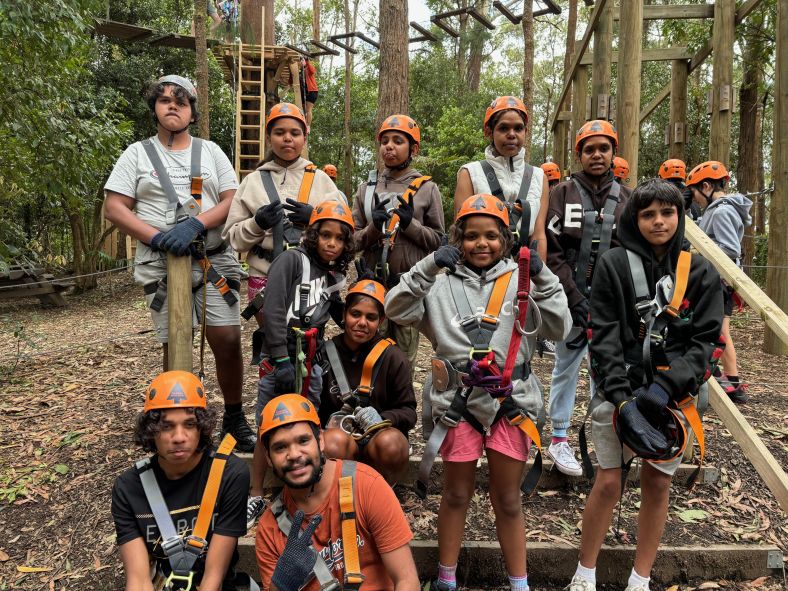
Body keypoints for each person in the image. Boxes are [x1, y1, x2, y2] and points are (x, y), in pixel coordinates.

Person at [386, 194, 572, 591]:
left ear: (505, 238)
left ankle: (519, 581)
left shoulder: (521, 281)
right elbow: (395, 308)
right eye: (471, 236)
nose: (481, 244)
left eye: (491, 235)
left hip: (511, 401)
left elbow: (559, 329)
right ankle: (446, 577)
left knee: (508, 498)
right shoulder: (439, 284)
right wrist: (430, 262)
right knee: (455, 494)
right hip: (459, 403)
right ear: (458, 239)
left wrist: (543, 276)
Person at [565, 179, 724, 591]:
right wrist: (622, 399)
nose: (658, 221)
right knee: (608, 480)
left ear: (679, 216)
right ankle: (584, 574)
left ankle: (641, 578)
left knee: (657, 482)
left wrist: (665, 389)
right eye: (648, 213)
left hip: (675, 396)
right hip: (618, 390)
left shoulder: (700, 270)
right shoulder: (614, 265)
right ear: (634, 219)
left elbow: (705, 340)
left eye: (667, 213)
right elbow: (603, 333)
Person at [104, 75, 256, 453]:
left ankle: (234, 417)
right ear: (154, 107)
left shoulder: (210, 151)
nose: (172, 105)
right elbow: (115, 206)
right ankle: (181, 422)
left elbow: (231, 198)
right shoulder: (137, 154)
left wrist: (196, 223)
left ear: (192, 110)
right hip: (162, 262)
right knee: (176, 344)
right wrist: (155, 236)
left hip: (211, 259)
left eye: (181, 100)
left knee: (227, 337)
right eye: (165, 99)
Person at [245, 201, 356, 529]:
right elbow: (275, 309)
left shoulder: (335, 273)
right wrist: (279, 358)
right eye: (325, 235)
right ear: (314, 235)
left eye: (339, 238)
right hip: (281, 355)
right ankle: (255, 492)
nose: (331, 243)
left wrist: (361, 305)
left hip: (312, 357)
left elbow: (335, 310)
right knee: (271, 424)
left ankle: (305, 492)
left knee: (307, 423)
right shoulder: (292, 261)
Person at [255, 394, 420, 591]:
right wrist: (281, 583)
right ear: (268, 457)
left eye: (303, 441)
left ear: (321, 440)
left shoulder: (367, 486)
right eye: (280, 447)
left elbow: (407, 580)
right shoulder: (269, 530)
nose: (294, 455)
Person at [544, 120, 632, 476]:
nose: (597, 155)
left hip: (611, 305)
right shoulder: (561, 195)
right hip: (571, 301)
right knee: (565, 367)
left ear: (613, 153)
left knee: (606, 370)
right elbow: (552, 252)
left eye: (604, 149)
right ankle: (559, 437)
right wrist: (574, 297)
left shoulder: (628, 199)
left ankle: (603, 440)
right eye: (589, 149)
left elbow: (631, 253)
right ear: (578, 154)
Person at [111, 371, 251, 590]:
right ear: (151, 431)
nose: (178, 437)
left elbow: (213, 576)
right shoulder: (129, 489)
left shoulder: (230, 475)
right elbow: (138, 580)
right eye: (166, 426)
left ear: (201, 427)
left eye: (189, 424)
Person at [223, 102, 343, 357]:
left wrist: (315, 217)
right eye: (279, 132)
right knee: (275, 349)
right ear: (269, 137)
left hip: (312, 279)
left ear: (304, 136)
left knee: (309, 346)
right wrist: (257, 223)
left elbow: (344, 231)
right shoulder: (253, 181)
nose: (287, 138)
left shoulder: (322, 181)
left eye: (294, 133)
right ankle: (273, 394)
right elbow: (233, 238)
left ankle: (306, 395)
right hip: (265, 277)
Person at [352, 114, 445, 369]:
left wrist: (409, 225)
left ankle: (399, 406)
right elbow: (352, 242)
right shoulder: (366, 189)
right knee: (369, 355)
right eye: (385, 141)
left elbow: (438, 241)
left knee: (402, 359)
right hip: (372, 285)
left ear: (413, 148)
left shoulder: (426, 188)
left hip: (407, 286)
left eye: (397, 141)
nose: (389, 146)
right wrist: (373, 228)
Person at [319, 278, 416, 483]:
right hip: (339, 440)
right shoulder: (325, 354)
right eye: (355, 314)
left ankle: (380, 495)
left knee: (392, 443)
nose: (362, 323)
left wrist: (382, 418)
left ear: (381, 321)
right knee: (331, 443)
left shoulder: (393, 357)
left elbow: (408, 412)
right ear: (344, 315)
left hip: (378, 441)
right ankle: (337, 492)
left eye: (371, 317)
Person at [686, 161, 752, 403]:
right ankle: (715, 373)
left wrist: (697, 251)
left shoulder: (722, 211)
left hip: (722, 280)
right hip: (716, 278)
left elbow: (730, 249)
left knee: (721, 329)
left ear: (705, 186)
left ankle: (733, 382)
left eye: (694, 193)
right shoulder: (717, 209)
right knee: (711, 326)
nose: (694, 199)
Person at [454, 96, 549, 260]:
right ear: (489, 132)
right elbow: (461, 232)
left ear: (525, 132)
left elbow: (539, 235)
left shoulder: (539, 177)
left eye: (518, 128)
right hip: (482, 269)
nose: (511, 134)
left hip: (524, 269)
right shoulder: (470, 174)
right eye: (503, 128)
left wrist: (539, 278)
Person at [302, 58, 318, 128]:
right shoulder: (299, 71)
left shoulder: (308, 68)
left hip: (312, 91)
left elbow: (313, 71)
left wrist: (307, 62)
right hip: (303, 92)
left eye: (302, 61)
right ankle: (303, 124)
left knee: (308, 109)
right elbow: (290, 82)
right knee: (302, 110)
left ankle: (308, 126)